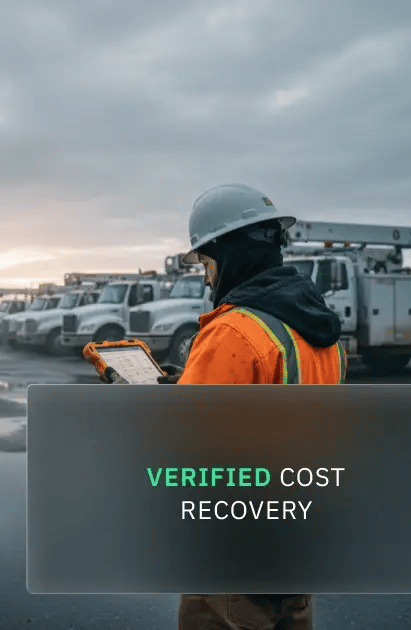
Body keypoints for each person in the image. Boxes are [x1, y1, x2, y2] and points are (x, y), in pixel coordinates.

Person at [164, 183, 347, 629]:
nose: (207, 277)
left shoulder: (234, 331)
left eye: (206, 263)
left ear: (227, 255)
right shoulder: (316, 328)